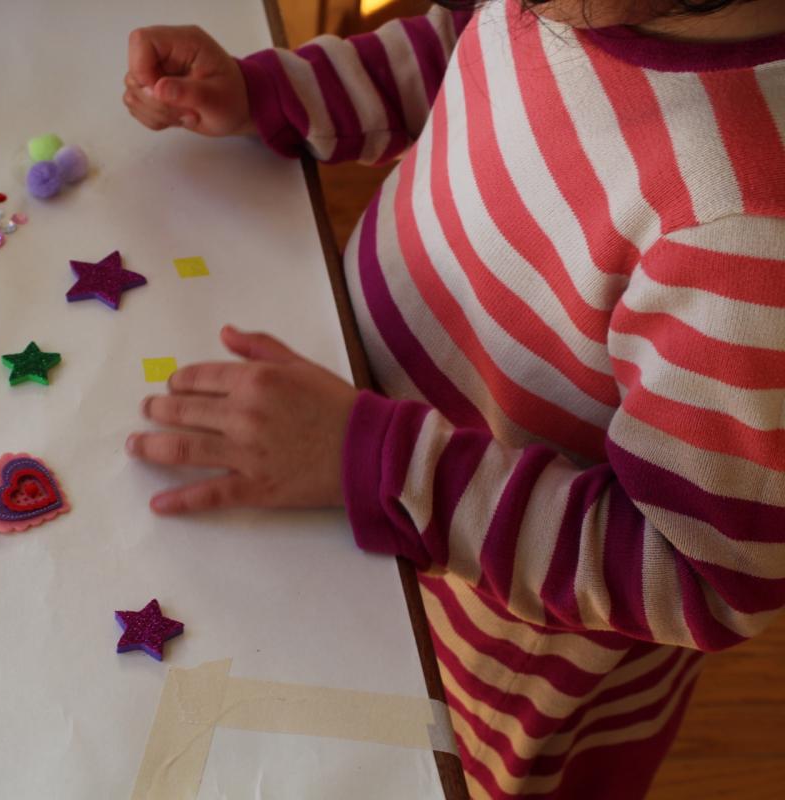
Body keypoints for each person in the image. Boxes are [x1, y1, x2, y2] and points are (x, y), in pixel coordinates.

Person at [122, 0, 785, 797]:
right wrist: (280, 91)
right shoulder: (568, 5)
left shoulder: (748, 228)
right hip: (352, 491)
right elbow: (464, 49)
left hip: (497, 661)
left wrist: (379, 463)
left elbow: (699, 577)